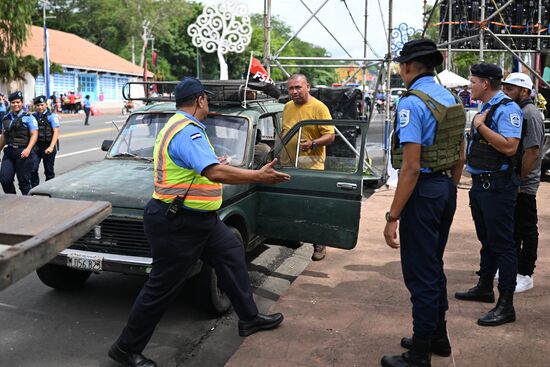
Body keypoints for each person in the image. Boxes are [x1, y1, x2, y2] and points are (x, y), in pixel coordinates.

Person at [109, 78, 290, 367]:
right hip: (179, 223)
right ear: (200, 100)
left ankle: (249, 317)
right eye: (206, 99)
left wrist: (212, 161)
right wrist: (258, 176)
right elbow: (215, 173)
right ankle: (126, 348)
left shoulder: (178, 125)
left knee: (231, 253)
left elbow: (199, 166)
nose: (208, 104)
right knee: (161, 287)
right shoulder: (187, 131)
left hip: (201, 220)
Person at [381, 39, 465, 367]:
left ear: (408, 67)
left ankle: (418, 356)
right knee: (433, 266)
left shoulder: (411, 103)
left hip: (424, 191)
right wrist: (448, 187)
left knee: (420, 274)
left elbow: (411, 166)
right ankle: (436, 337)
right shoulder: (451, 98)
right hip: (446, 188)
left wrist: (393, 216)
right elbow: (460, 153)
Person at [455, 63, 523, 327]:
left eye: (472, 81)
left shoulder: (508, 109)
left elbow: (509, 147)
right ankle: (485, 286)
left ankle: (506, 304)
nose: (469, 86)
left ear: (485, 83)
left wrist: (480, 127)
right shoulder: (486, 108)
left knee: (504, 245)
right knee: (488, 241)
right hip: (482, 185)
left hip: (498, 187)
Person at [282, 73, 334, 261]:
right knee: (293, 204)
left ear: (308, 87)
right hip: (289, 164)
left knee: (313, 206)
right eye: (291, 88)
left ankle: (319, 243)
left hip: (311, 165)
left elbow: (330, 136)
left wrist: (312, 143)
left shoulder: (319, 108)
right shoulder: (287, 107)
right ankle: (296, 235)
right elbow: (284, 132)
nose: (294, 92)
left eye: (298, 87)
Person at [501, 73, 545, 293]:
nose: (506, 93)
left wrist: (519, 179)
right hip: (516, 180)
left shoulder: (530, 114)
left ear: (524, 91)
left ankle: (525, 273)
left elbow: (532, 152)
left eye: (510, 89)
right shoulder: (520, 112)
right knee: (514, 227)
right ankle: (514, 266)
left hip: (524, 183)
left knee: (526, 228)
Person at [0, 91, 39, 195]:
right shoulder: (6, 118)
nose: (15, 104)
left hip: (23, 152)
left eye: (18, 102)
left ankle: (28, 205)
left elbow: (34, 134)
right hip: (9, 152)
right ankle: (14, 200)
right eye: (13, 102)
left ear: (22, 103)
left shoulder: (29, 117)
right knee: (5, 180)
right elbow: (4, 136)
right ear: (10, 103)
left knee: (24, 182)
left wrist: (28, 149)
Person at [31, 95, 60, 187]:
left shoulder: (52, 116)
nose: (40, 107)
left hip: (48, 146)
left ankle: (49, 189)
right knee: (32, 169)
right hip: (36, 147)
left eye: (42, 105)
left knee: (48, 171)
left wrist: (51, 147)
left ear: (46, 105)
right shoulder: (33, 116)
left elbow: (56, 132)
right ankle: (35, 189)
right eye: (38, 105)